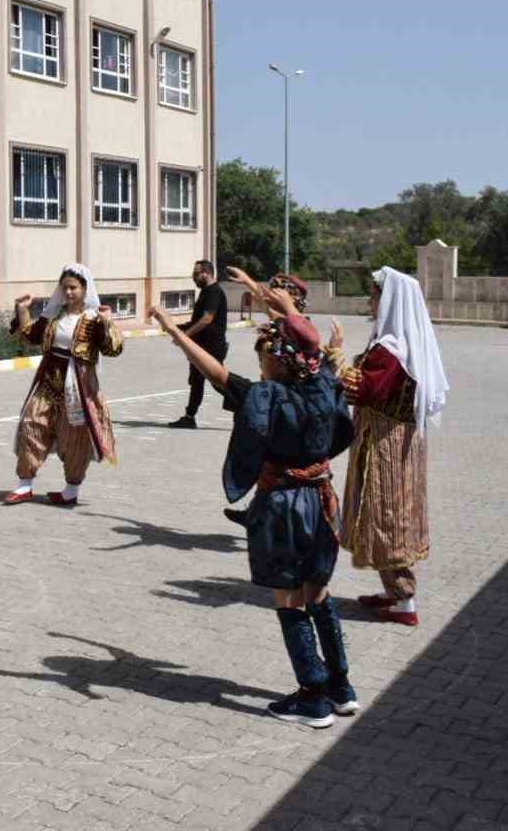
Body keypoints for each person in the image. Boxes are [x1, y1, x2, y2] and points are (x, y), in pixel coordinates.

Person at [149, 294, 359, 728]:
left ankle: (312, 698)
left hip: (284, 505)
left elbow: (217, 374)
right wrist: (294, 314)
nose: (260, 363)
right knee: (317, 593)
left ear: (280, 362)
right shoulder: (324, 385)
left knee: (288, 598)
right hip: (322, 501)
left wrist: (174, 332)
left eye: (264, 356)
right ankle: (340, 686)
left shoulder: (267, 397)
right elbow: (316, 358)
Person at [325, 267, 447, 627]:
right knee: (388, 513)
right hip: (395, 441)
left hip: (386, 445)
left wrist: (335, 356)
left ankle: (404, 600)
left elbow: (362, 388)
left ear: (390, 299)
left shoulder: (391, 350)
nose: (370, 300)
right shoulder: (401, 343)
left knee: (386, 516)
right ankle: (394, 592)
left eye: (375, 294)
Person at [4, 264, 122, 507]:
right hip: (48, 381)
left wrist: (108, 323)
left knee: (75, 437)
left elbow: (113, 349)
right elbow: (31, 336)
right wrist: (23, 310)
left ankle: (71, 490)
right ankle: (24, 485)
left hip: (78, 385)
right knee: (31, 424)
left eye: (73, 288)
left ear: (84, 289)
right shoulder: (53, 315)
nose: (68, 292)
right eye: (65, 287)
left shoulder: (94, 318)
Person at [220, 268, 310, 525]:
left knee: (276, 458)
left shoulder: (297, 326)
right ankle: (259, 509)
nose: (269, 295)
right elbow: (265, 304)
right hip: (275, 398)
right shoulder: (289, 321)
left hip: (288, 404)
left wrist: (249, 283)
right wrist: (249, 282)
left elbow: (267, 306)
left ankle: (275, 514)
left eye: (276, 291)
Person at [167, 259, 229, 429]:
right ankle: (189, 417)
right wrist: (173, 327)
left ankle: (246, 405)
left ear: (206, 273)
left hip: (212, 347)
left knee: (219, 382)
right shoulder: (205, 292)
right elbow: (196, 321)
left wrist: (184, 336)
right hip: (201, 346)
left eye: (196, 273)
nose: (193, 277)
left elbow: (207, 319)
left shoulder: (214, 292)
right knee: (196, 381)